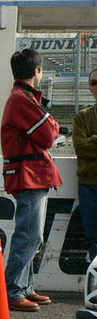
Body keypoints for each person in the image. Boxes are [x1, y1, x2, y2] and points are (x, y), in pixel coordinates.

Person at [1, 48, 62, 311]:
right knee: (29, 235)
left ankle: (24, 287)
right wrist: (53, 124)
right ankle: (13, 290)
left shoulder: (21, 97)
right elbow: (50, 134)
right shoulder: (21, 99)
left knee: (31, 235)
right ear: (37, 71)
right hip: (30, 176)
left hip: (32, 176)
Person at [72, 67, 97, 262]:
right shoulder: (82, 117)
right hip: (88, 186)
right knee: (93, 237)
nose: (96, 87)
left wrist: (92, 139)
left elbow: (86, 145)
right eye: (93, 83)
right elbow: (80, 148)